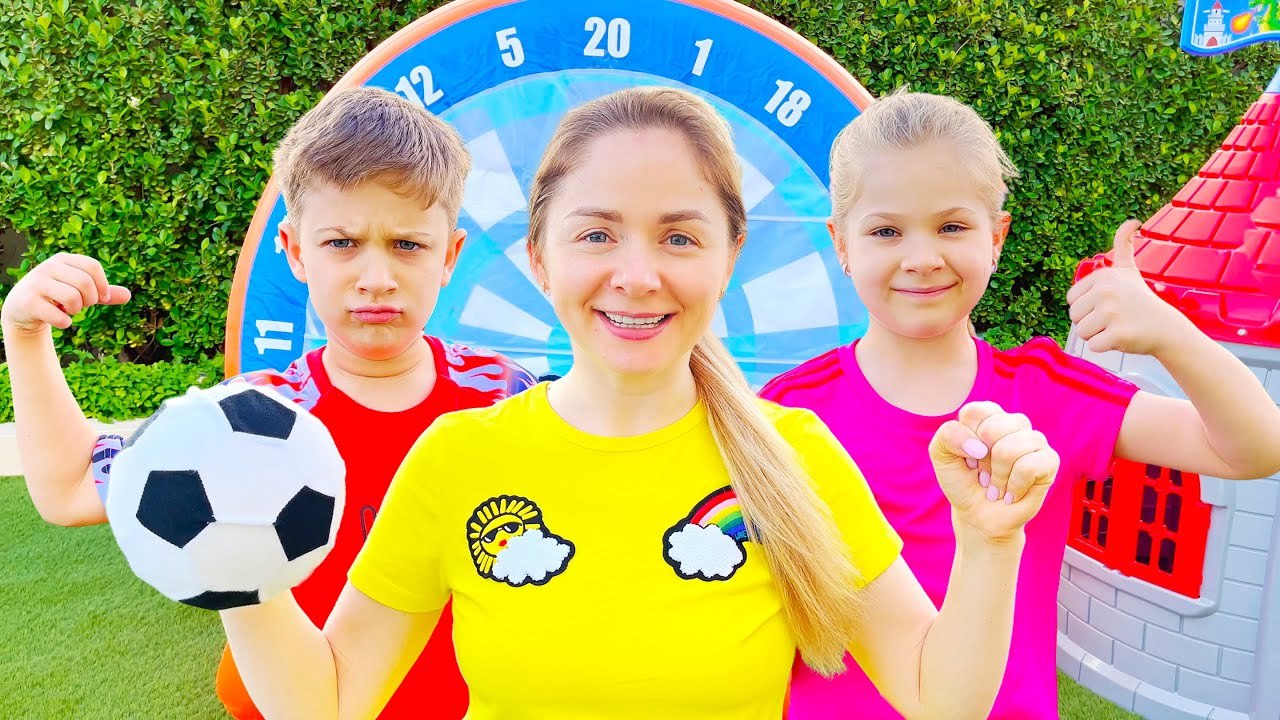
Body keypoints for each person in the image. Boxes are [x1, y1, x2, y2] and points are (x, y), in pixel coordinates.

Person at [216, 86, 1061, 720]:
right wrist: (234, 567)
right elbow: (326, 703)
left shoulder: (792, 454)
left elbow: (937, 698)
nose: (637, 274)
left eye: (679, 236)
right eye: (596, 233)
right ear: (540, 258)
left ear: (729, 257)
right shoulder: (457, 456)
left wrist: (990, 547)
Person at [0, 86, 534, 720]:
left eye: (407, 245)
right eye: (342, 243)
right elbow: (67, 490)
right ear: (295, 250)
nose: (376, 277)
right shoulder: (253, 417)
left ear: (449, 256)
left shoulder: (507, 397)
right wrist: (25, 336)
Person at [762, 89, 1280, 719]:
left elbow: (1254, 448)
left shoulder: (1045, 391)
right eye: (886, 231)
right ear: (842, 245)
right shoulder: (788, 412)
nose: (922, 258)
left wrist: (1169, 332)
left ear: (997, 236)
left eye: (952, 226)